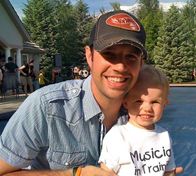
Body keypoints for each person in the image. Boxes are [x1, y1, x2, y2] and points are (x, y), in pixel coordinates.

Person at [0, 10, 182, 176]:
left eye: (131, 57)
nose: (120, 66)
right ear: (89, 56)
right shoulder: (46, 107)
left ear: (141, 64)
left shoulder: (142, 111)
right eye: (109, 54)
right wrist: (73, 174)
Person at [99, 65, 176, 176]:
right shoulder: (118, 136)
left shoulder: (164, 136)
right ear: (126, 103)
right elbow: (105, 172)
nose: (147, 108)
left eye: (155, 102)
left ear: (164, 104)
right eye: (139, 101)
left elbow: (169, 172)